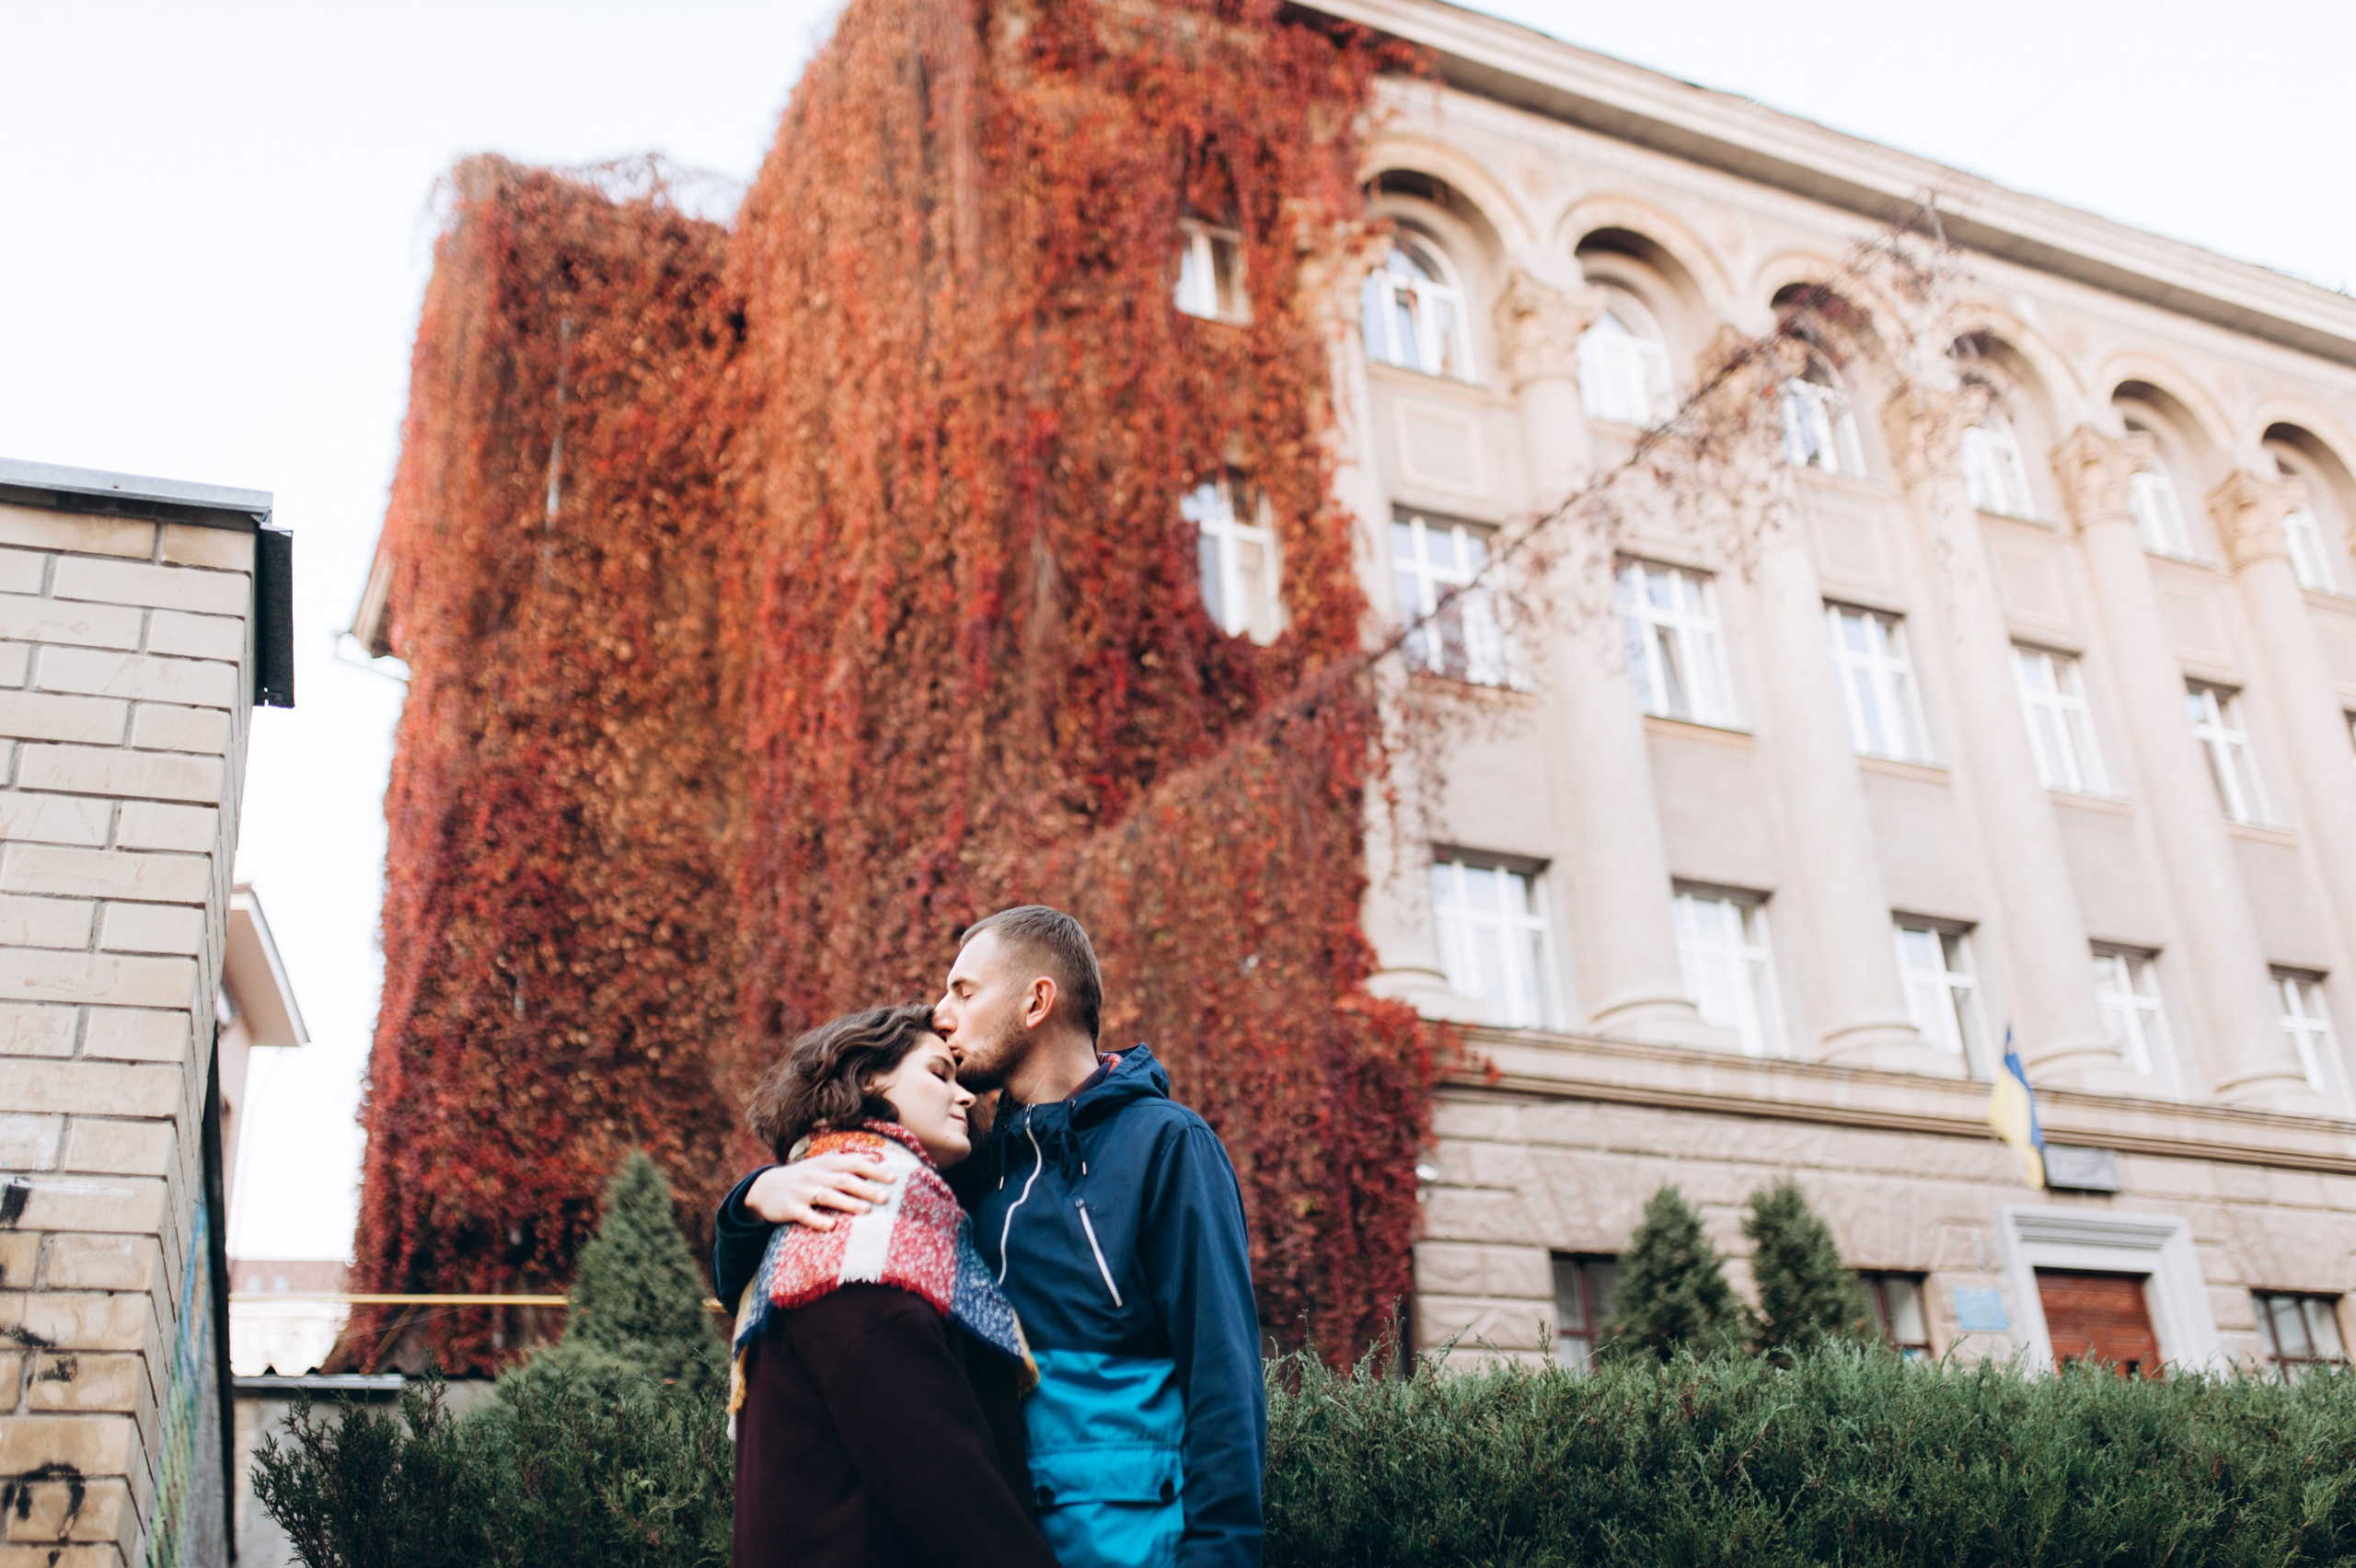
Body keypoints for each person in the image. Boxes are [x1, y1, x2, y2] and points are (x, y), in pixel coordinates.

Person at [717, 906, 1266, 1568]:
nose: (943, 1014)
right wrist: (753, 1198)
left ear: (1037, 1001)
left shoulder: (1167, 1145)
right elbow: (783, 1288)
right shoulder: (956, 1178)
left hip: (1134, 1546)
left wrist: (1222, 1555)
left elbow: (1222, 1373)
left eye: (964, 991)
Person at [723, 1002, 1059, 1568]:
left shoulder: (881, 1223)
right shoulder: (860, 1248)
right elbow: (945, 1483)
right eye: (938, 1073)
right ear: (869, 1078)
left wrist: (751, 1198)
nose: (967, 1097)